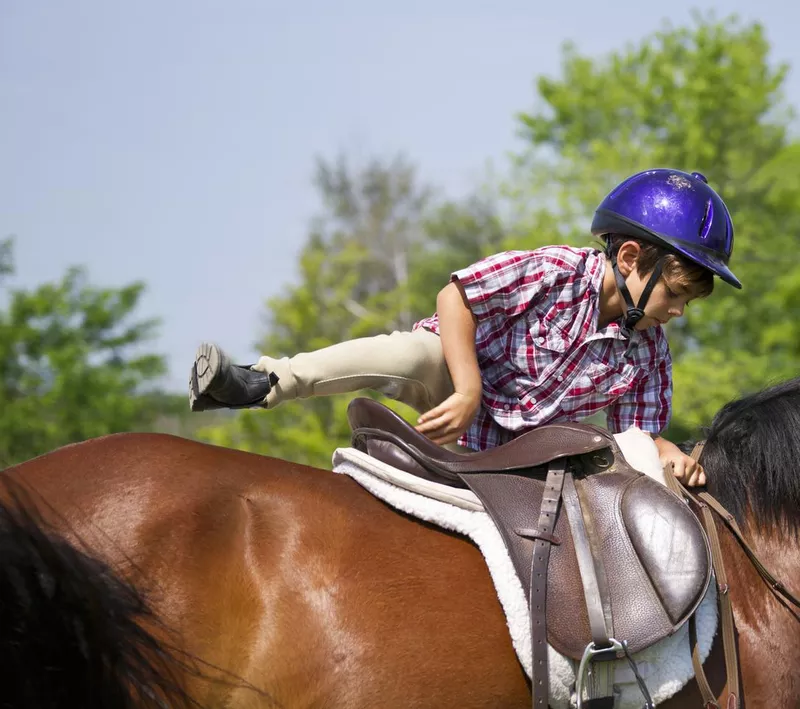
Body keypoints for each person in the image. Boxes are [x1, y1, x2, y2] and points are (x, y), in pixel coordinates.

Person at [189, 169, 741, 487]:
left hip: (525, 449)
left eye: (689, 300)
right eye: (676, 293)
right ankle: (265, 382)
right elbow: (456, 297)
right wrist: (470, 389)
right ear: (628, 257)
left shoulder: (648, 355)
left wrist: (669, 454)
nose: (679, 311)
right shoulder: (552, 272)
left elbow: (634, 435)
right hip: (455, 380)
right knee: (410, 355)